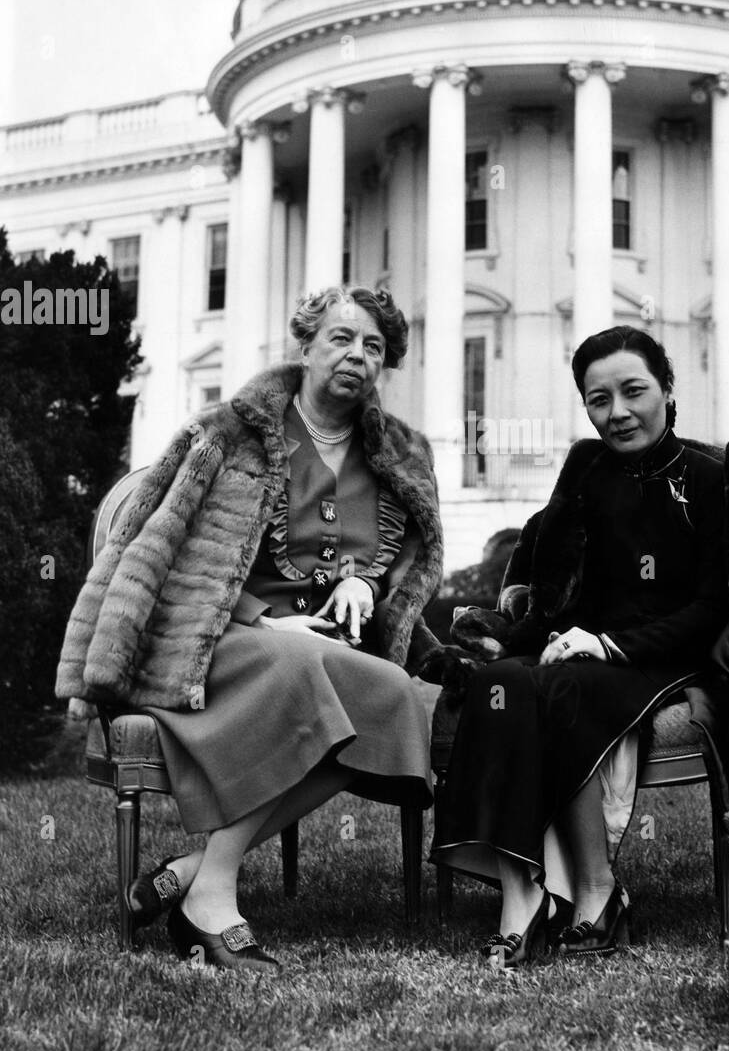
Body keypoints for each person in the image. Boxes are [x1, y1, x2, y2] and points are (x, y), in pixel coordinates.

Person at [58, 286, 443, 971]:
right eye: (341, 338)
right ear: (306, 345)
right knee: (301, 667)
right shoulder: (228, 433)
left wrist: (363, 580)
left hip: (327, 648)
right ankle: (213, 897)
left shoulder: (398, 454)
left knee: (390, 695)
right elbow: (163, 553)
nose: (357, 355)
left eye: (374, 346)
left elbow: (402, 558)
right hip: (214, 640)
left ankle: (189, 869)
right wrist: (269, 620)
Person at [429, 326, 729, 966]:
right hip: (579, 645)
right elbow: (554, 586)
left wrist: (611, 645)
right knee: (500, 683)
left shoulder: (711, 478)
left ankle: (597, 892)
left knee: (566, 686)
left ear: (667, 389)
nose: (617, 413)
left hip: (665, 655)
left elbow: (714, 609)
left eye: (632, 391)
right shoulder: (586, 470)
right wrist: (513, 639)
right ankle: (522, 894)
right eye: (599, 400)